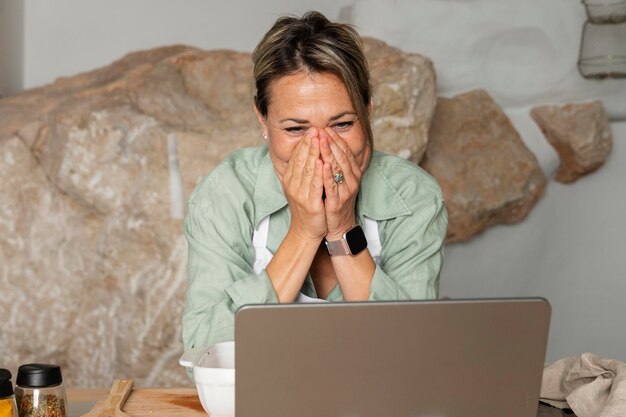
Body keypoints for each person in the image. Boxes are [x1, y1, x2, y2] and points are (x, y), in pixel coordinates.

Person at [183, 11, 447, 352]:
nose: (320, 149)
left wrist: (342, 229)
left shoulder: (414, 196)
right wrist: (304, 232)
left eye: (342, 125)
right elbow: (203, 353)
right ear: (262, 119)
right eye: (295, 129)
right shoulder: (225, 194)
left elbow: (411, 354)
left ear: (367, 111)